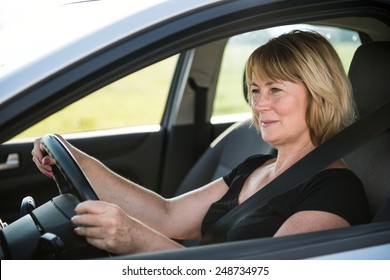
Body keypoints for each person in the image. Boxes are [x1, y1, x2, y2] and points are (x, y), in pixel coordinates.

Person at [32, 30, 370, 255]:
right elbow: (166, 214)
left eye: (276, 90)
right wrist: (72, 156)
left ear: (320, 95)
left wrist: (135, 239)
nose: (259, 104)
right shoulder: (255, 167)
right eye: (254, 89)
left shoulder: (335, 191)